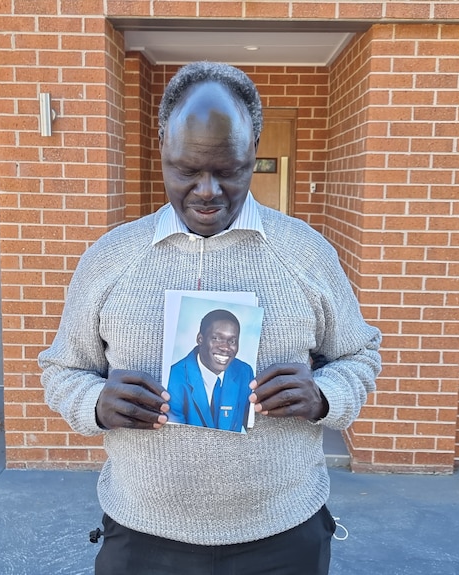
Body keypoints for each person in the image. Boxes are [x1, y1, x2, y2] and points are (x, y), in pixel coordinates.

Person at [38, 61, 382, 575]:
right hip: (144, 537)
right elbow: (61, 369)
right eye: (186, 169)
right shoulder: (110, 258)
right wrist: (93, 401)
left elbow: (360, 353)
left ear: (254, 151)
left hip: (281, 536)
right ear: (161, 148)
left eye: (227, 171)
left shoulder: (306, 253)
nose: (206, 191)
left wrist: (324, 395)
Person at [166, 309, 254, 432]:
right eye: (216, 338)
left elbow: (253, 428)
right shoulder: (173, 379)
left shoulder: (245, 372)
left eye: (232, 341)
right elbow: (174, 436)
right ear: (200, 339)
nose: (225, 348)